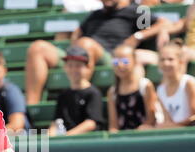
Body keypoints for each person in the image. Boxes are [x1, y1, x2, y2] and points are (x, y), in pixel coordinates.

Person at [24, 0, 167, 105]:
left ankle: (80, 99)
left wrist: (138, 37)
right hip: (79, 53)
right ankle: (31, 108)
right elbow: (78, 34)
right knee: (38, 47)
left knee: (86, 43)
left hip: (109, 56)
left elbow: (162, 23)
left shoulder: (136, 10)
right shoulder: (96, 14)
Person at [48, 46, 105, 137]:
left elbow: (92, 123)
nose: (73, 70)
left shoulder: (93, 93)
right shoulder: (63, 95)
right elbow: (56, 122)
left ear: (87, 68)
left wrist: (67, 136)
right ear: (65, 68)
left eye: (78, 66)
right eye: (70, 65)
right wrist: (50, 138)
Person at [107, 44, 158, 132]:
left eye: (125, 61)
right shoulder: (112, 92)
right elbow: (113, 125)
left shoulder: (145, 86)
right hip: (122, 139)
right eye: (115, 61)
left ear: (134, 61)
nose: (120, 65)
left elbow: (151, 120)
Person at [156, 40, 195, 127]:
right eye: (162, 60)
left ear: (180, 61)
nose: (166, 63)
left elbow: (193, 117)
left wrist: (175, 126)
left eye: (170, 59)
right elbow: (167, 120)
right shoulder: (160, 90)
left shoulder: (189, 83)